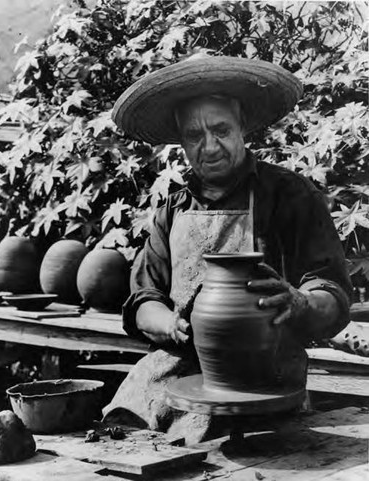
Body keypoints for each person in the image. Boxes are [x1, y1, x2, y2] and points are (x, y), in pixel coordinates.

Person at [102, 56, 352, 443]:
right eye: (194, 135)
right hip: (174, 372)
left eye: (220, 130)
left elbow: (333, 294)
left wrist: (302, 302)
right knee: (120, 450)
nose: (209, 146)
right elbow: (142, 300)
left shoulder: (289, 195)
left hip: (264, 379)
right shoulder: (173, 209)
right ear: (181, 141)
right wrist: (169, 324)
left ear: (242, 128)